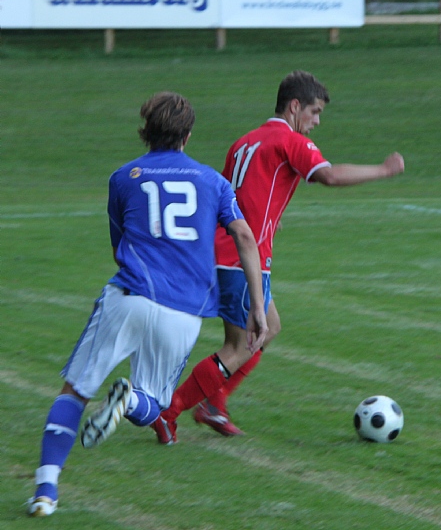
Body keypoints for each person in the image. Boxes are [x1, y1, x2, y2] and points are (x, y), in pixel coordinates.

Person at [27, 91, 268, 517]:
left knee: (75, 391)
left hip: (130, 296)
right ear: (188, 136)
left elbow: (117, 244)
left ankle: (46, 492)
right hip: (184, 312)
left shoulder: (123, 178)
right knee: (153, 405)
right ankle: (130, 401)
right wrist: (258, 309)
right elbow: (245, 237)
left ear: (145, 132)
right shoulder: (213, 181)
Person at [151, 70, 405, 444]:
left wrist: (270, 216)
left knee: (270, 326)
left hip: (222, 250)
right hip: (242, 256)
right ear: (295, 106)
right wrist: (383, 170)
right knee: (240, 346)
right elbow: (330, 176)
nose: (316, 122)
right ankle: (169, 412)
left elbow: (228, 194)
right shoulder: (289, 140)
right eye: (315, 112)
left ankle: (214, 403)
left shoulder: (245, 142)